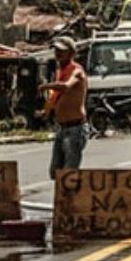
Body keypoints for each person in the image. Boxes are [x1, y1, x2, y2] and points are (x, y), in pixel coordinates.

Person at [38, 36, 88, 180]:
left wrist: (46, 86)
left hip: (75, 128)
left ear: (72, 53)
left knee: (69, 174)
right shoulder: (62, 72)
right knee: (55, 171)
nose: (58, 54)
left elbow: (66, 87)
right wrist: (45, 112)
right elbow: (57, 98)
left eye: (62, 51)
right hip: (62, 128)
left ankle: (70, 200)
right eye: (57, 50)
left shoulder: (76, 70)